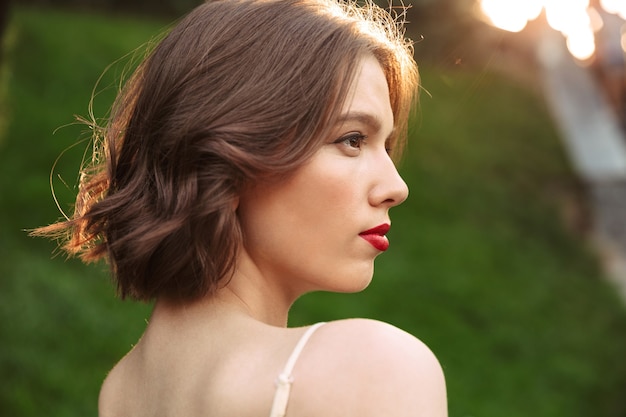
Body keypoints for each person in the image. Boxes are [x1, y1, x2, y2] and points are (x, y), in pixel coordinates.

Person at [33, 0, 447, 415]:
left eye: (387, 147)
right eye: (353, 139)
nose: (397, 187)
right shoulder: (372, 369)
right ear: (225, 156)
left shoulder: (120, 392)